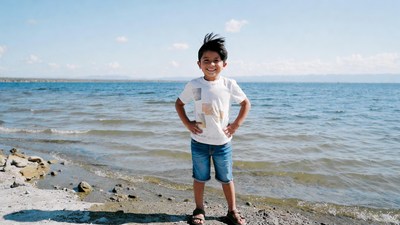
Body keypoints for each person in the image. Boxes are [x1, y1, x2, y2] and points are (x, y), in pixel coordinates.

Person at [175, 33, 251, 225]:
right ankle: (199, 210)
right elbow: (179, 104)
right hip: (199, 142)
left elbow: (245, 104)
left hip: (222, 143)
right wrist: (188, 124)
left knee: (227, 178)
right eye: (206, 60)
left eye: (216, 60)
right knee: (199, 178)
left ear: (224, 64)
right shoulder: (194, 85)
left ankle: (232, 211)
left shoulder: (228, 84)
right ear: (199, 63)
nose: (211, 64)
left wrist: (235, 125)